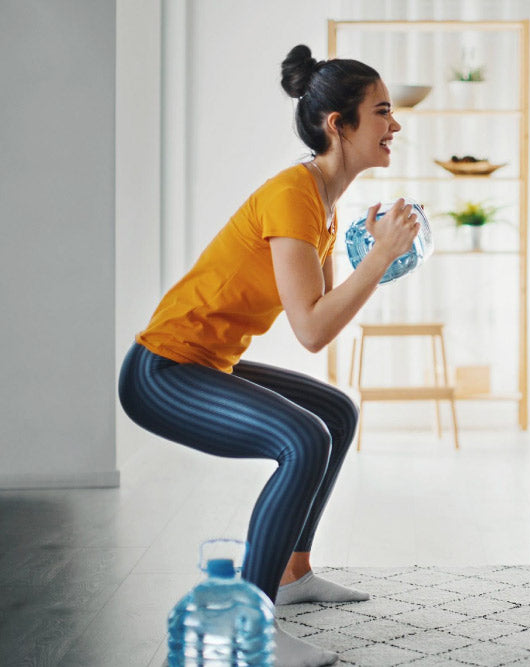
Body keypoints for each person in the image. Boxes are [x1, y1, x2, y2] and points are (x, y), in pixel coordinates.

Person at [118, 45, 419, 667]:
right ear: (339, 124)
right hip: (162, 372)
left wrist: (376, 255)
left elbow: (323, 308)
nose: (395, 126)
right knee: (304, 437)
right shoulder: (293, 194)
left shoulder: (323, 203)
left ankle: (292, 575)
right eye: (382, 112)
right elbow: (312, 329)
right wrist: (379, 258)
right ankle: (250, 628)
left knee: (334, 411)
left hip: (205, 363)